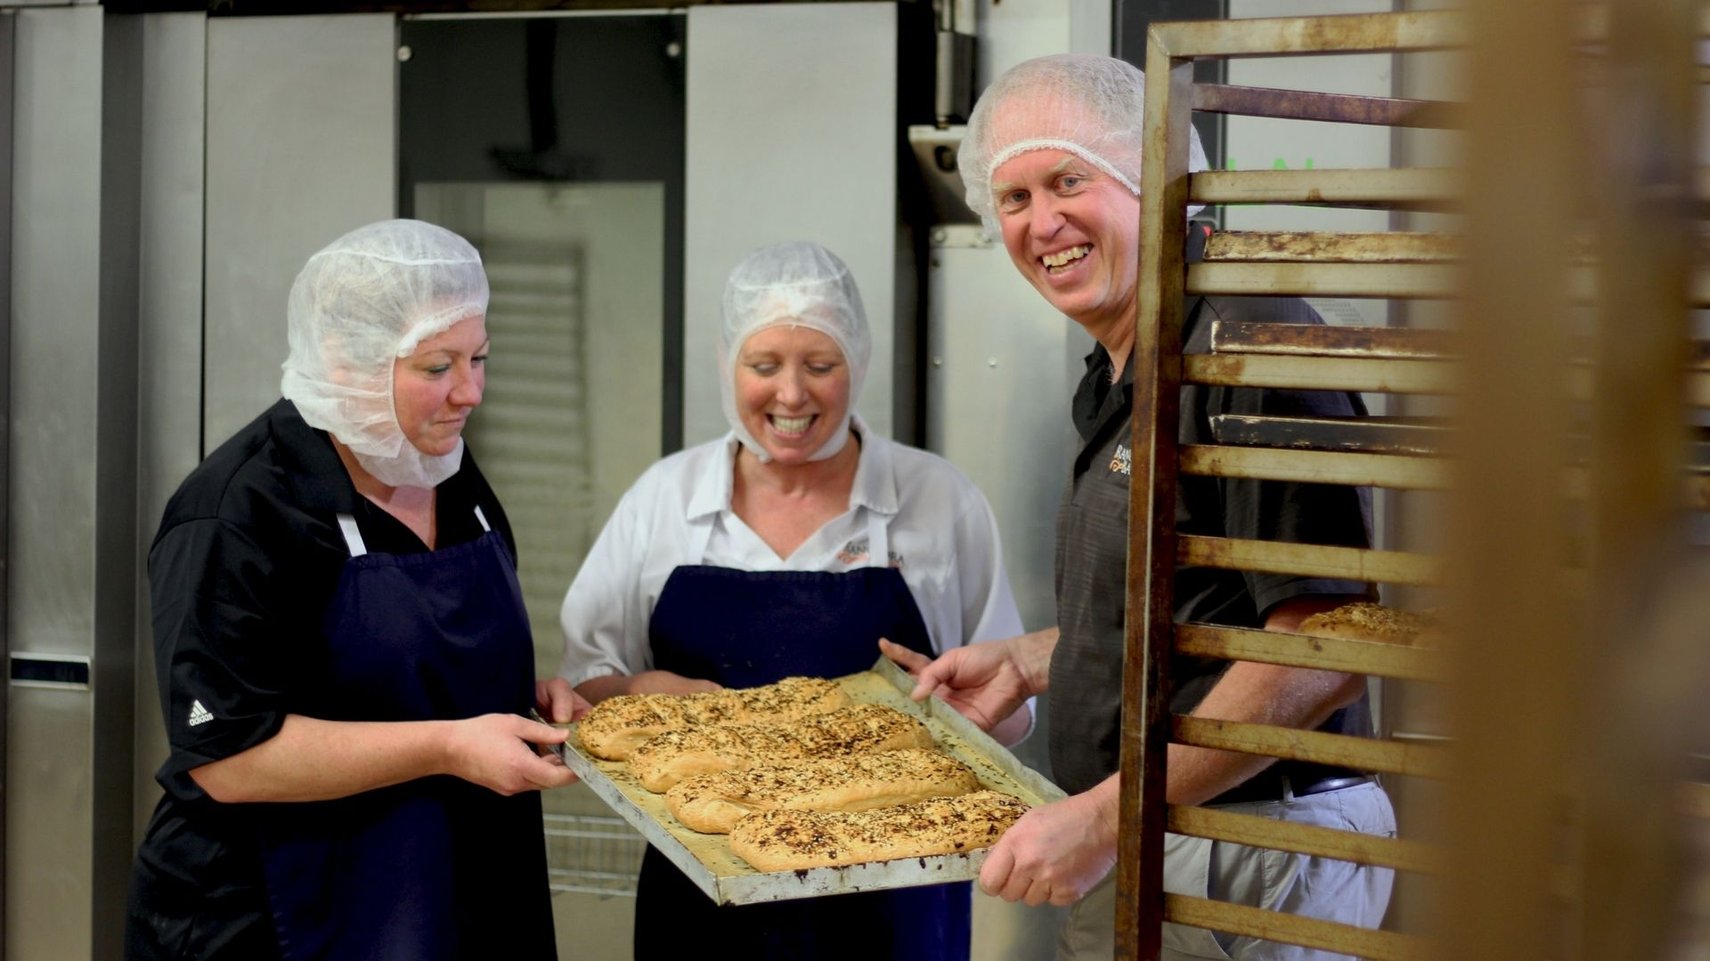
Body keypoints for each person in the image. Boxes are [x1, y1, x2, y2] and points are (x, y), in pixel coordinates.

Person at [893, 54, 1397, 961]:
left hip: (1252, 846)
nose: (1042, 223)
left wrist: (1105, 817)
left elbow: (1328, 644)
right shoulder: (1135, 361)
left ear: (1148, 173)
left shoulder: (1245, 347)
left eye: (1069, 180)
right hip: (1172, 838)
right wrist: (1037, 658)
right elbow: (1207, 613)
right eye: (1011, 198)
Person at [535, 240, 1028, 961]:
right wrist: (643, 689)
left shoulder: (937, 502)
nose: (791, 395)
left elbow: (1011, 707)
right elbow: (585, 680)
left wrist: (946, 716)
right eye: (764, 365)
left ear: (856, 363)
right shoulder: (666, 501)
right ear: (727, 364)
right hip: (701, 899)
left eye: (820, 366)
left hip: (894, 906)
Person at [125, 219, 586, 961]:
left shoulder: (452, 477)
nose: (470, 391)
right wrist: (449, 744)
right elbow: (227, 756)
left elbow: (401, 673)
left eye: (479, 358)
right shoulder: (239, 511)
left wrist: (520, 698)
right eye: (437, 366)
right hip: (281, 912)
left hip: (449, 891)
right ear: (346, 358)